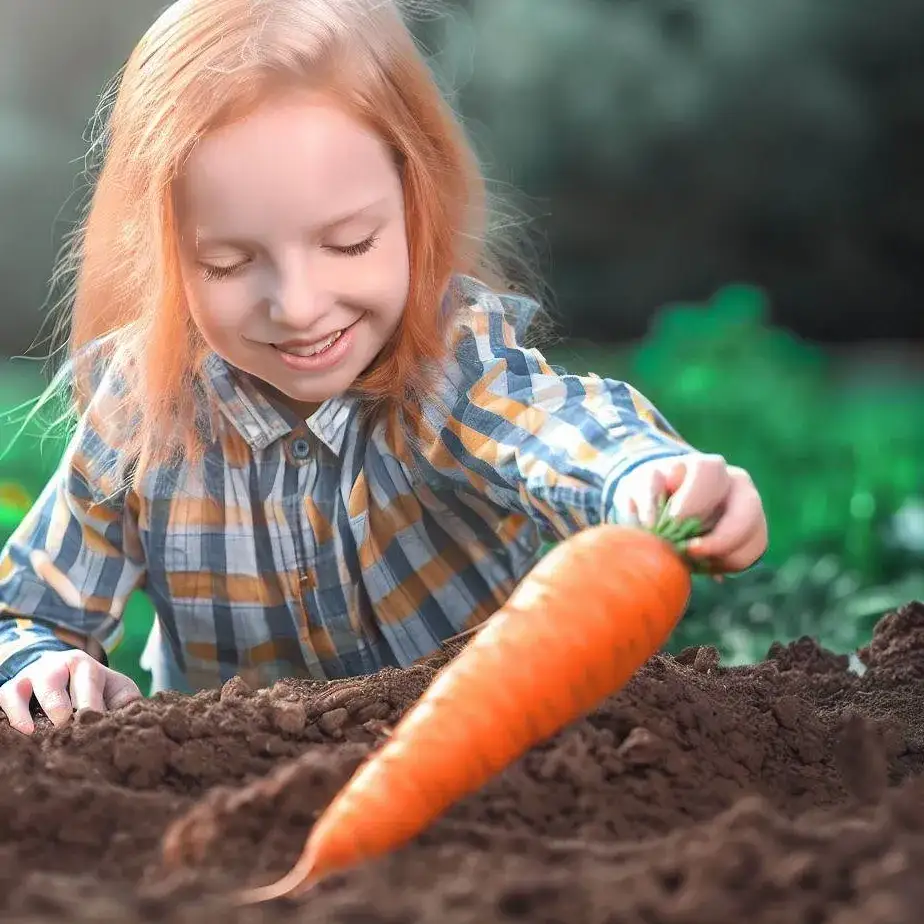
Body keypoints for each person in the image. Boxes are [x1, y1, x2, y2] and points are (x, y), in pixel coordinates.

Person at [0, 0, 767, 736]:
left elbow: (559, 428)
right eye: (229, 262)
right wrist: (46, 666)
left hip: (485, 777)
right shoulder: (145, 412)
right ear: (166, 254)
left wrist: (643, 477)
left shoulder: (453, 369)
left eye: (348, 244)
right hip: (226, 807)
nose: (297, 307)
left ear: (416, 198)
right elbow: (29, 613)